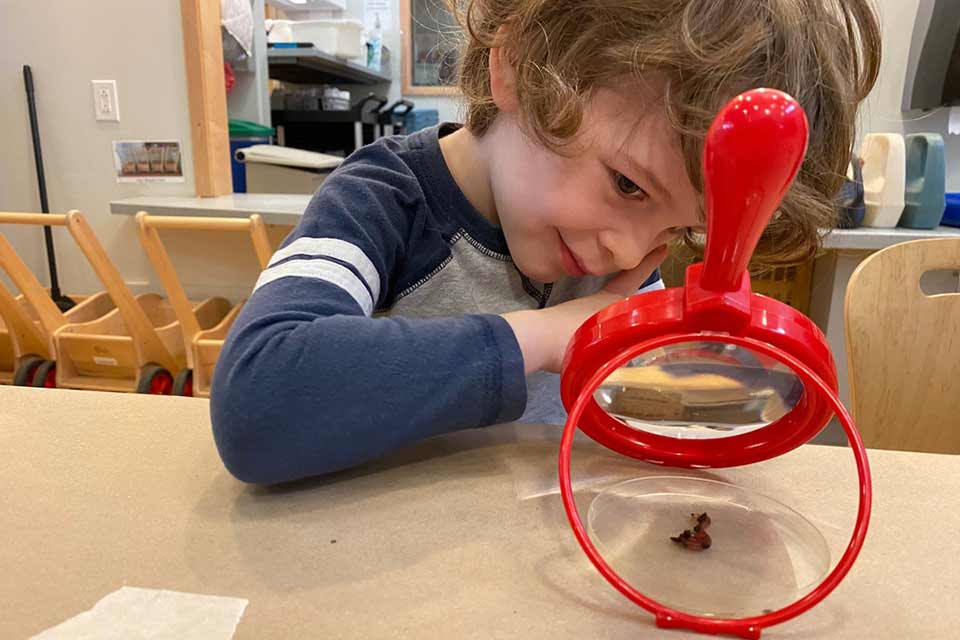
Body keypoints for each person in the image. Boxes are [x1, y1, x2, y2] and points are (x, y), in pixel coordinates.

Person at [210, 0, 881, 484]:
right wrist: (548, 336)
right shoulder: (382, 201)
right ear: (520, 67)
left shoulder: (610, 249)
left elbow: (639, 414)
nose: (629, 253)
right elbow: (258, 399)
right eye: (627, 185)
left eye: (678, 230)